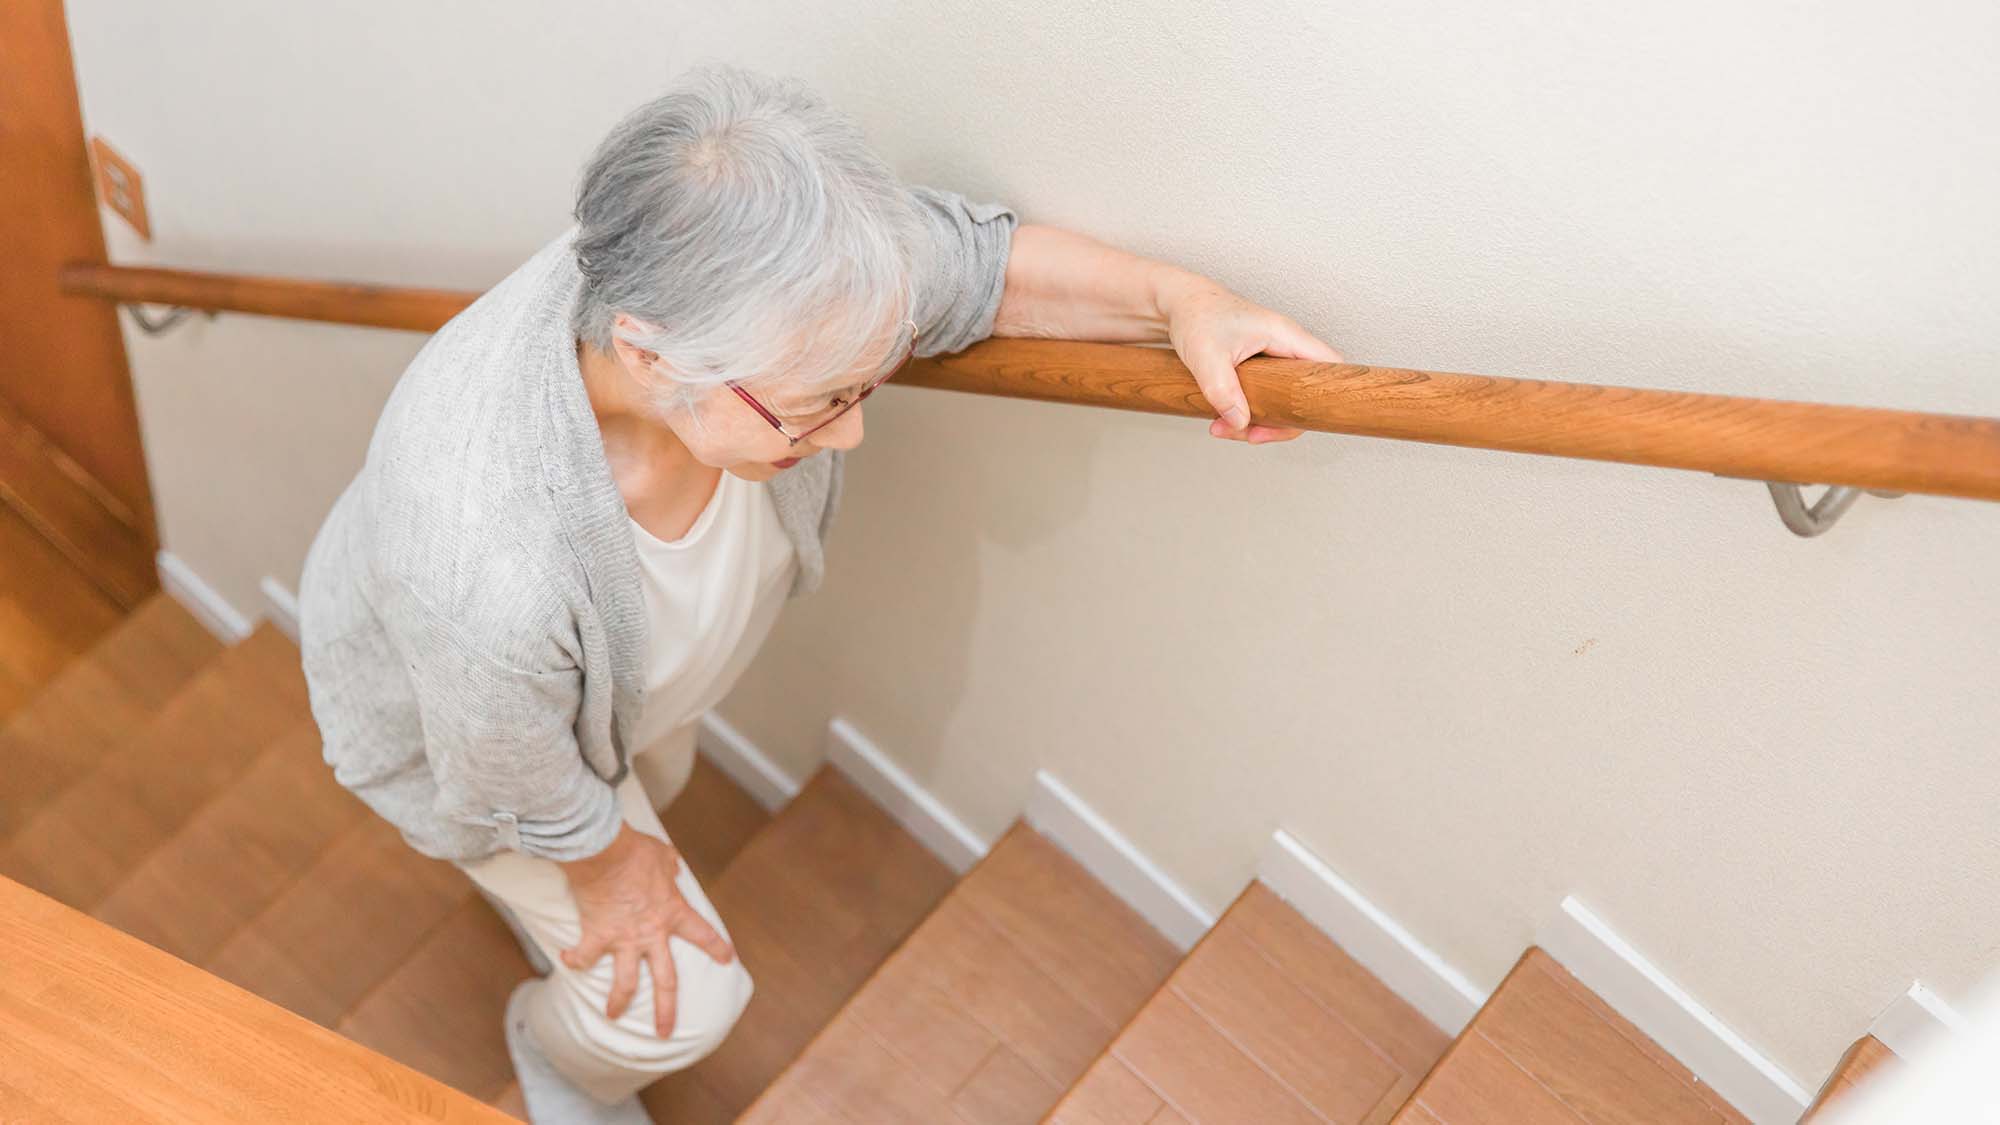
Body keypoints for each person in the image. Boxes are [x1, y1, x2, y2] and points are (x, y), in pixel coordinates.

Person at [296, 63, 1341, 1124]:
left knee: (654, 762)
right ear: (648, 357)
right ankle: (561, 1053)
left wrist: (1182, 305)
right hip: (471, 736)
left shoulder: (781, 292)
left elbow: (977, 267)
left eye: (864, 382)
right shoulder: (481, 561)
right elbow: (506, 765)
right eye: (817, 405)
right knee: (675, 1012)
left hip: (609, 696)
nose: (848, 433)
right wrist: (614, 871)